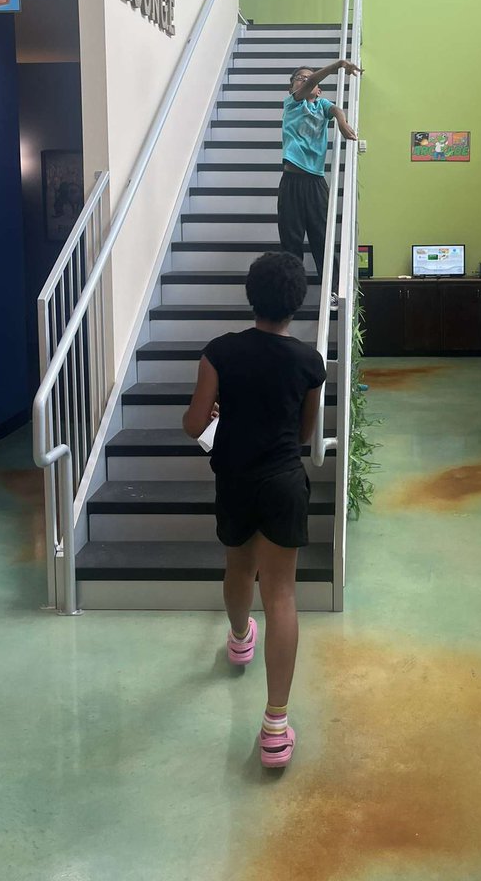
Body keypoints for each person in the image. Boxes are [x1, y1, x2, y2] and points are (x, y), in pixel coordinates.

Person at [182, 251, 326, 768]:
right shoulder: (310, 362)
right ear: (297, 302)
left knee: (238, 565)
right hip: (284, 482)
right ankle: (275, 727)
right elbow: (305, 434)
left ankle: (241, 638)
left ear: (250, 295)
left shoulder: (218, 353)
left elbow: (195, 425)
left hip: (235, 478)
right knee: (282, 593)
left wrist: (217, 409)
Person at [279, 59, 361, 304]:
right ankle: (290, 295)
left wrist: (342, 122)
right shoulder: (292, 104)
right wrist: (335, 67)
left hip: (315, 183)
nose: (305, 80)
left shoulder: (322, 105)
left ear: (320, 91)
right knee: (291, 241)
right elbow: (313, 81)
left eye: (308, 79)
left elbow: (335, 109)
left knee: (322, 239)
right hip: (292, 181)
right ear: (292, 88)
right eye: (299, 79)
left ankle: (334, 291)